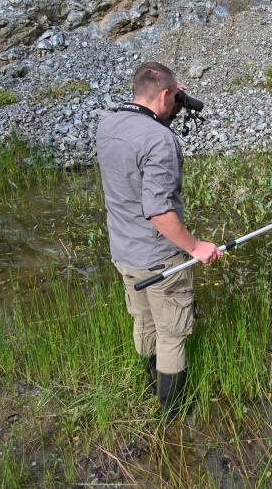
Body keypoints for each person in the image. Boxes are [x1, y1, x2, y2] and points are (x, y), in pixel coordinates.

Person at [96, 61, 222, 422]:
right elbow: (158, 211)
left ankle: (151, 387)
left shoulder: (110, 124)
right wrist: (195, 246)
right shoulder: (160, 140)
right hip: (160, 258)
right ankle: (173, 413)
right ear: (166, 95)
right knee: (172, 333)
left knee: (144, 322)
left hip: (124, 252)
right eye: (175, 97)